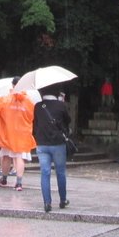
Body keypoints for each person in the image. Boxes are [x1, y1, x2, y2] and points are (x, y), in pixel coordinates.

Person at [0, 80, 36, 191]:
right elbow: (32, 117)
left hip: (7, 133)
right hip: (23, 134)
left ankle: (4, 179)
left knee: (6, 156)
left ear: (12, 85)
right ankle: (19, 183)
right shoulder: (29, 101)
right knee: (20, 157)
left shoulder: (5, 99)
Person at [32, 84, 71, 213]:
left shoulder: (38, 106)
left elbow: (35, 125)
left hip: (42, 144)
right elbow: (68, 121)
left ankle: (47, 203)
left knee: (45, 173)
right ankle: (63, 199)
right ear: (56, 93)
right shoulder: (61, 106)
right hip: (58, 143)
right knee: (60, 172)